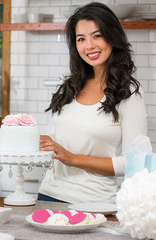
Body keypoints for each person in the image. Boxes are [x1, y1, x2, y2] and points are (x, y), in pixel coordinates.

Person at [38, 2, 148, 204]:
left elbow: (135, 162)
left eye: (97, 36)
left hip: (94, 203)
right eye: (81, 39)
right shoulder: (69, 87)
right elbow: (56, 141)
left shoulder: (128, 94)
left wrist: (73, 158)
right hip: (48, 196)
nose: (89, 45)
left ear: (112, 36)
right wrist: (38, 141)